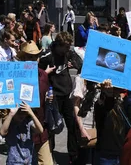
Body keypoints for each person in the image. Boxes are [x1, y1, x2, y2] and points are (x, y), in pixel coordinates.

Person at [38, 32, 83, 164]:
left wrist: (73, 63)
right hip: (53, 95)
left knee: (73, 125)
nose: (68, 49)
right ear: (59, 45)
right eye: (65, 47)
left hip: (67, 93)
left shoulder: (68, 53)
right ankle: (49, 154)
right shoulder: (47, 56)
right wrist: (45, 73)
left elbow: (80, 63)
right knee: (51, 127)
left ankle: (73, 156)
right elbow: (37, 74)